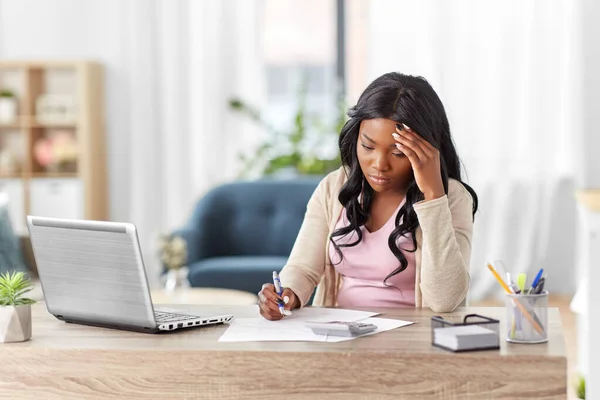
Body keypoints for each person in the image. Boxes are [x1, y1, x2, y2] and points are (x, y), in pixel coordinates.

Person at [258, 72, 478, 320]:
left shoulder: (451, 198)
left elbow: (446, 300)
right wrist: (286, 294)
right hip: (339, 337)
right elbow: (302, 269)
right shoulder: (334, 186)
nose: (379, 165)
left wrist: (433, 197)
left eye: (398, 152)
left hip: (413, 342)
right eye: (368, 147)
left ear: (427, 150)